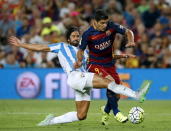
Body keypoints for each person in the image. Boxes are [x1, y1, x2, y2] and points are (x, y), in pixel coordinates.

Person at [8, 27, 150, 126]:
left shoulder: (85, 51)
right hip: (75, 76)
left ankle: (50, 121)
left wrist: (123, 55)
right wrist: (21, 44)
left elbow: (105, 56)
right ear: (69, 39)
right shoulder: (62, 46)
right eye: (74, 36)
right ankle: (136, 94)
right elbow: (40, 47)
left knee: (81, 115)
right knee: (108, 82)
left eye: (78, 36)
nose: (77, 38)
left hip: (82, 80)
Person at [74, 9, 137, 125]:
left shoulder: (112, 26)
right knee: (111, 82)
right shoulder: (88, 34)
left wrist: (131, 41)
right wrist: (79, 61)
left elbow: (128, 31)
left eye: (106, 22)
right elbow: (81, 50)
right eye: (102, 23)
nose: (105, 25)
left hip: (109, 63)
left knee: (117, 95)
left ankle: (106, 110)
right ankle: (116, 112)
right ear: (95, 22)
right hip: (95, 64)